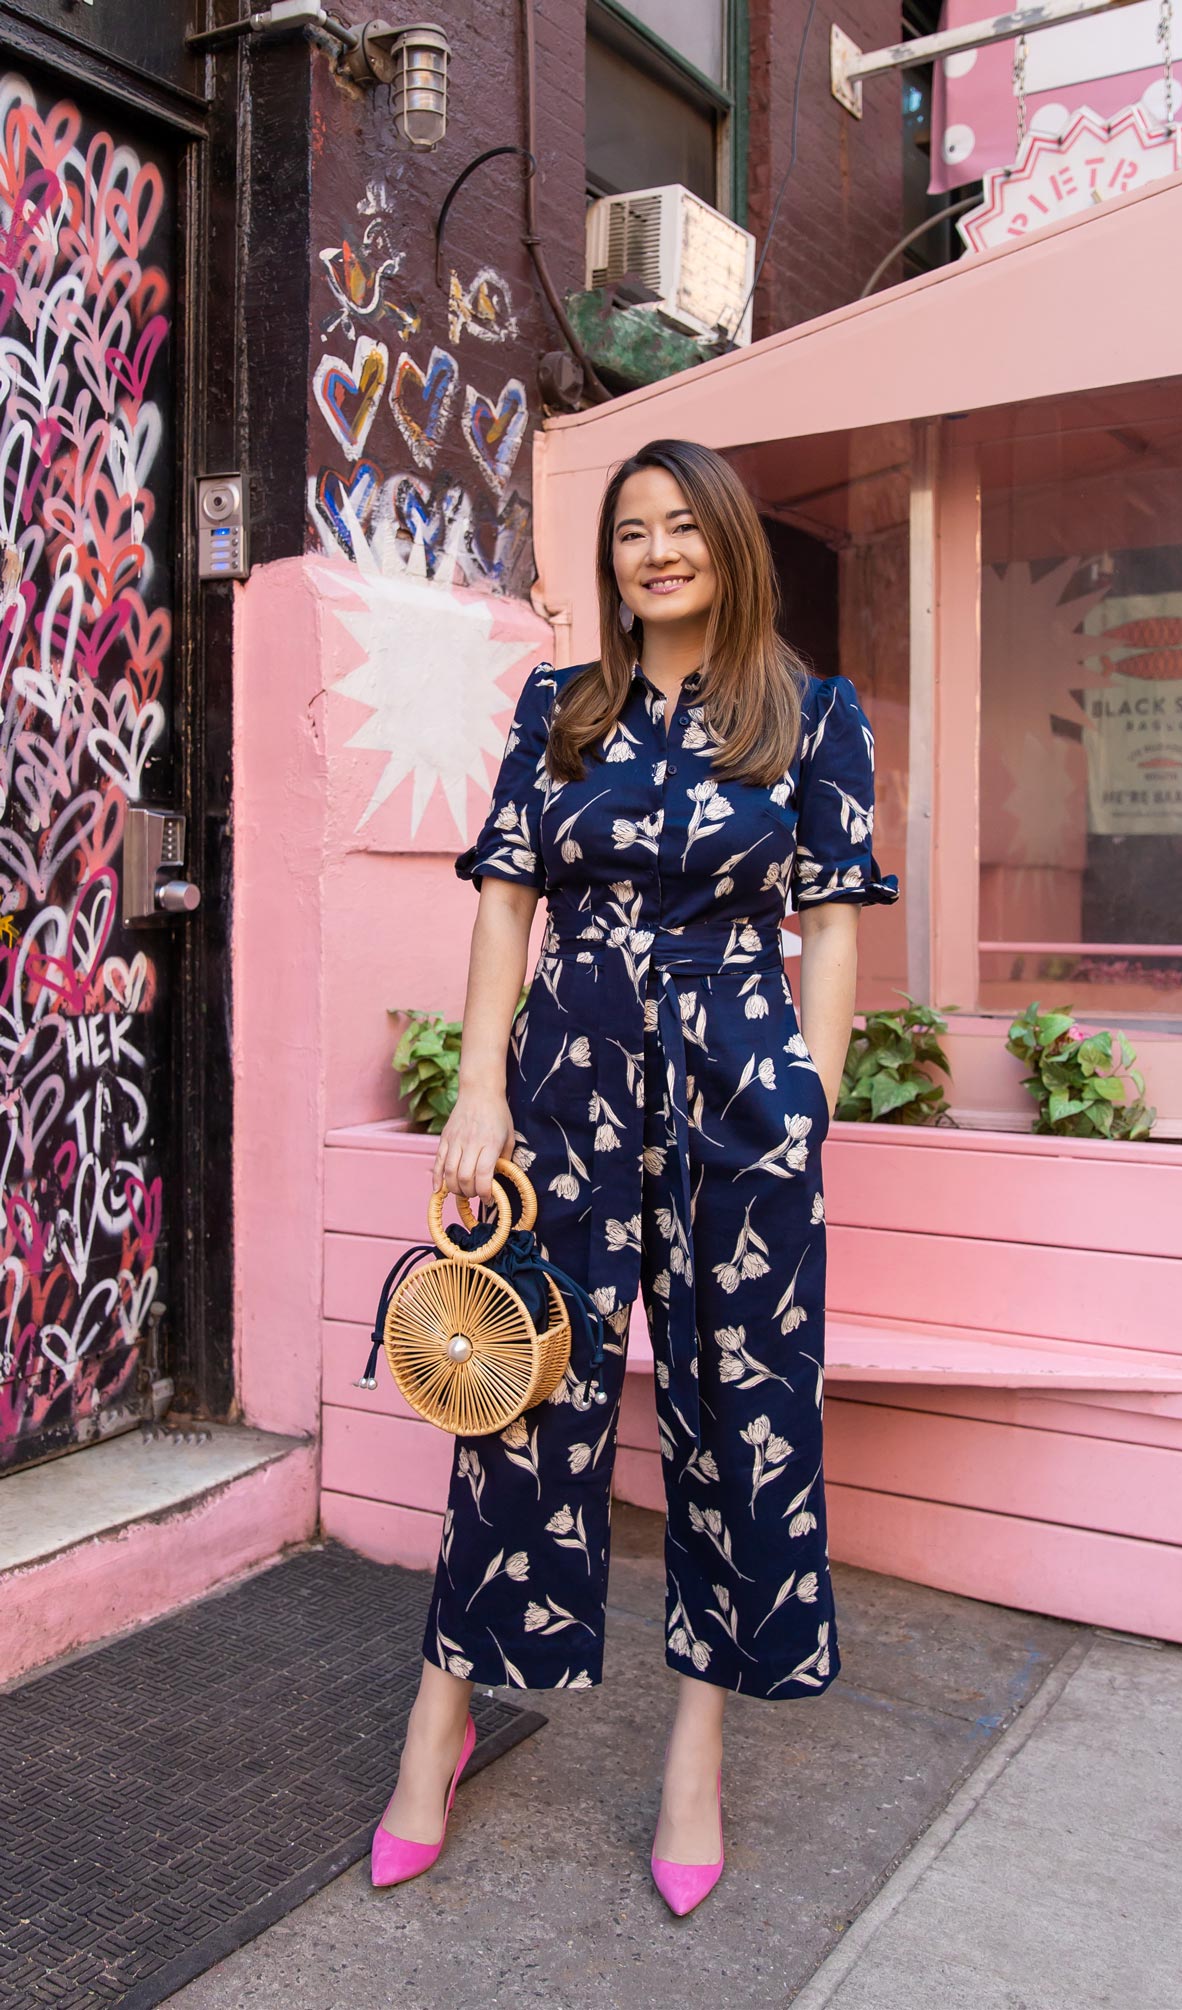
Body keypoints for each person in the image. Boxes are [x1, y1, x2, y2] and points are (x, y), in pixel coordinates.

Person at [370, 436, 899, 1914]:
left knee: (740, 1419)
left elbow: (836, 926)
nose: (656, 551)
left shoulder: (812, 718)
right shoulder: (561, 708)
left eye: (682, 527)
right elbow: (504, 907)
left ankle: (695, 1750)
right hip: (569, 1095)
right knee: (522, 1398)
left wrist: (811, 1104)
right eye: (630, 532)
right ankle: (446, 1713)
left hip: (743, 1100)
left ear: (730, 543)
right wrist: (480, 1087)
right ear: (609, 563)